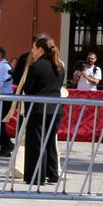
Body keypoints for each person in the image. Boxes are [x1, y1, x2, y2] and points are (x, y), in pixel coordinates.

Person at [22, 34, 65, 185]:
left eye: (33, 48)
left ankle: (36, 176)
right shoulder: (59, 65)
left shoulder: (36, 65)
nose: (32, 51)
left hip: (38, 109)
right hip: (56, 109)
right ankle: (52, 174)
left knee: (36, 142)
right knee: (49, 141)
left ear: (40, 49)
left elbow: (28, 88)